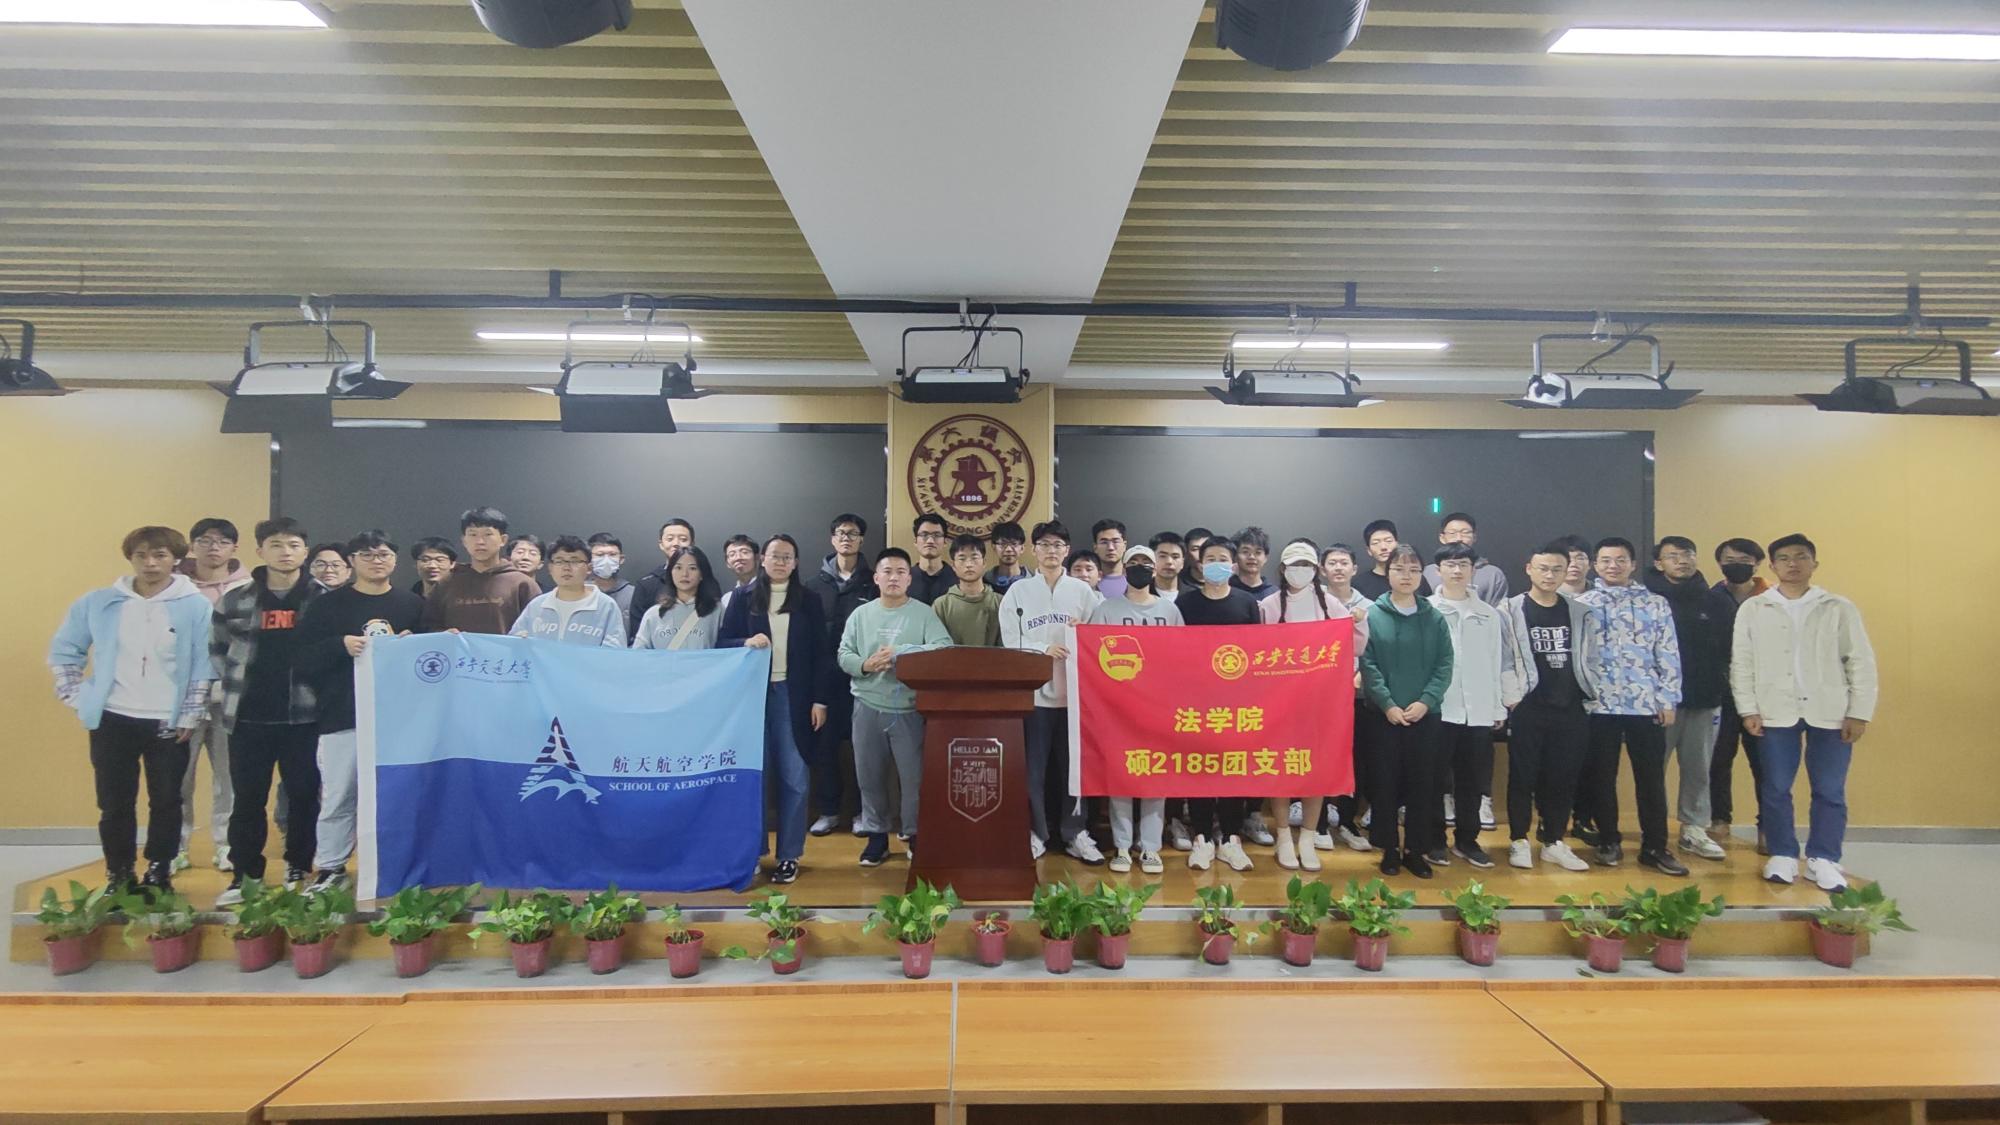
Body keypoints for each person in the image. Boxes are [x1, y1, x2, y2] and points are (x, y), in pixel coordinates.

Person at [50, 526, 215, 895]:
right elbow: (65, 650)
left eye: (159, 555)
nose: (150, 563)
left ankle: (159, 870)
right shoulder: (99, 602)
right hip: (113, 717)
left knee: (167, 799)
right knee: (113, 802)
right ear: (131, 559)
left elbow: (203, 664)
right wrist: (78, 696)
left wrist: (190, 713)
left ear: (176, 559)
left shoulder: (195, 606)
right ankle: (119, 873)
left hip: (167, 719)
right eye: (141, 555)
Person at [1732, 534, 1877, 893]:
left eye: (1801, 557)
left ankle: (1823, 857)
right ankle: (1782, 853)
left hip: (1830, 709)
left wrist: (1859, 712)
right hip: (1774, 709)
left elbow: (1859, 660)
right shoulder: (1754, 608)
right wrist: (1747, 708)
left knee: (1829, 788)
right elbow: (1742, 662)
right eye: (1783, 558)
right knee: (1776, 786)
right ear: (1772, 566)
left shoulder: (1838, 607)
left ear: (1814, 563)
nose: (1792, 564)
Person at [294, 530, 425, 894]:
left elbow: (431, 660)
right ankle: (331, 867)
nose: (376, 561)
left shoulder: (413, 605)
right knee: (338, 795)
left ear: (395, 560)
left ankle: (397, 865)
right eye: (366, 555)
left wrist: (413, 648)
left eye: (383, 554)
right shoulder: (327, 606)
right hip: (342, 714)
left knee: (398, 796)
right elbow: (301, 658)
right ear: (351, 561)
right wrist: (339, 645)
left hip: (399, 720)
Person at [211, 517, 324, 905]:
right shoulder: (236, 599)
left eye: (293, 545)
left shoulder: (325, 599)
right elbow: (218, 650)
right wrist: (235, 687)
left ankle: (299, 868)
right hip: (248, 717)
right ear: (260, 551)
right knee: (247, 800)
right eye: (276, 545)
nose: (285, 552)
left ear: (305, 551)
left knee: (304, 796)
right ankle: (245, 875)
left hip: (306, 716)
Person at [718, 533, 831, 885]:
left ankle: (789, 855)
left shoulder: (809, 600)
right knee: (755, 776)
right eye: (774, 555)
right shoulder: (743, 597)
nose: (780, 562)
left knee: (795, 777)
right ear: (762, 559)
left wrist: (820, 699)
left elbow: (822, 654)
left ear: (795, 563)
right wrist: (746, 642)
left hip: (794, 697)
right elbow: (722, 643)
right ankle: (752, 852)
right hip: (752, 697)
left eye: (787, 557)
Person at [1575, 537, 1688, 876]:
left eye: (1620, 560)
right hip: (1599, 705)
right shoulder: (1581, 605)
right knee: (1601, 776)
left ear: (1633, 564)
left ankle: (1655, 847)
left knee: (1651, 778)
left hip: (1646, 705)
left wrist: (1668, 698)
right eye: (1606, 560)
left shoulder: (1655, 604)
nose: (1613, 566)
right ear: (1595, 565)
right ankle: (1608, 840)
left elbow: (1668, 653)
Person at [837, 548, 951, 866]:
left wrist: (903, 652)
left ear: (909, 579)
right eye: (887, 571)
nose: (893, 578)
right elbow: (844, 654)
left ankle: (914, 834)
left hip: (908, 708)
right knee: (869, 776)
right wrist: (865, 664)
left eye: (901, 572)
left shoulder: (924, 613)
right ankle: (876, 837)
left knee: (913, 779)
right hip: (867, 705)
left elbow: (943, 648)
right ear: (876, 577)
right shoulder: (861, 615)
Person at [999, 520, 1105, 864]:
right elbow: (1010, 638)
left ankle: (1075, 833)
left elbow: (1100, 638)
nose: (1051, 551)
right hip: (1033, 697)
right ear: (1034, 550)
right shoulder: (1018, 592)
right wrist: (1042, 649)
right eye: (1044, 545)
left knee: (1074, 769)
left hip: (1075, 698)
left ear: (1067, 550)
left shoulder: (1083, 593)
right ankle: (1035, 832)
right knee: (1033, 770)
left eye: (1058, 545)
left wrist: (1084, 632)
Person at [1257, 538, 1358, 872]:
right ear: (1282, 569)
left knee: (1317, 769)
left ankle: (1308, 837)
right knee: (1281, 769)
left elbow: (1354, 647)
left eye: (1306, 565)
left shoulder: (1331, 604)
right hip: (1280, 704)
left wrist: (1357, 622)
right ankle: (1284, 836)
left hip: (1321, 703)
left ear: (1315, 570)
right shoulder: (1269, 605)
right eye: (1293, 566)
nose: (1299, 571)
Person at [1498, 544, 1597, 872]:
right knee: (1522, 776)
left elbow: (1591, 656)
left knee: (1563, 777)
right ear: (1529, 569)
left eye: (1557, 569)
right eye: (1543, 568)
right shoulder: (1509, 610)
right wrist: (1512, 698)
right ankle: (1519, 839)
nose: (1550, 575)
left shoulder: (1580, 612)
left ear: (1567, 571)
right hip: (1529, 706)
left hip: (1570, 707)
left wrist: (1591, 691)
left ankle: (1554, 841)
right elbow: (1504, 658)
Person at [1357, 543, 1453, 879]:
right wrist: (1388, 704)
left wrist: (1426, 701)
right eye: (1399, 569)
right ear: (1388, 574)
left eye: (1414, 570)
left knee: (1423, 785)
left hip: (1426, 716)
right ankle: (1389, 849)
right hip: (1384, 717)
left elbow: (1445, 663)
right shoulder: (1373, 615)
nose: (1406, 576)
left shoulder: (1434, 617)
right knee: (1384, 784)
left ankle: (1416, 850)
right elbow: (1368, 664)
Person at [1086, 544, 1183, 874]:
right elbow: (1092, 655)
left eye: (1146, 562)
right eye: (1134, 562)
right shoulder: (1106, 609)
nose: (1140, 567)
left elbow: (1182, 657)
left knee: (1156, 775)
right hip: (1119, 709)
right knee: (1122, 776)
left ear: (1154, 569)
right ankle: (1123, 846)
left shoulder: (1170, 611)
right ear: (1124, 568)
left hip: (1158, 707)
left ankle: (1151, 847)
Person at [1175, 537, 1262, 872]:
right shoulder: (1186, 603)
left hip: (1236, 701)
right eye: (1209, 558)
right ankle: (1201, 837)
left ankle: (1230, 838)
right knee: (1199, 765)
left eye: (1222, 558)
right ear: (1199, 563)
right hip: (1196, 699)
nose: (1216, 563)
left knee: (1233, 767)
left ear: (1233, 565)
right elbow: (1175, 649)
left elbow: (1257, 650)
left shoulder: (1246, 602)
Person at [1644, 535, 1733, 863]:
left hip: (1704, 697)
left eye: (1688, 554)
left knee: (1698, 767)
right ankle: (1652, 830)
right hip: (1657, 703)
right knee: (1652, 769)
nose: (1682, 561)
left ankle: (1694, 828)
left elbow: (1729, 650)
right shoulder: (1647, 600)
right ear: (1659, 563)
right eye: (1673, 556)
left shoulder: (1716, 602)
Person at [1428, 542, 1514, 871]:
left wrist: (1497, 708)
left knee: (1472, 781)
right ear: (1438, 570)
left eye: (1463, 564)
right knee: (1435, 780)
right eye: (1450, 564)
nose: (1457, 570)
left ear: (1473, 569)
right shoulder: (1427, 610)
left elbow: (1496, 661)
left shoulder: (1488, 614)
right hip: (1439, 708)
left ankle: (1467, 840)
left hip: (1478, 710)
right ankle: (1435, 840)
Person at [175, 517, 251, 874]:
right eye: (204, 540)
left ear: (235, 548)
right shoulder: (174, 587)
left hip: (231, 697)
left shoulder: (249, 588)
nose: (213, 548)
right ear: (192, 546)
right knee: (177, 779)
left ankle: (227, 845)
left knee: (229, 777)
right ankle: (175, 847)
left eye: (222, 541)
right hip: (181, 698)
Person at [806, 513, 875, 836]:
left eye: (853, 533)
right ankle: (829, 811)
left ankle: (863, 811)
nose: (846, 538)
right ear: (832, 539)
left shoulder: (873, 582)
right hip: (824, 681)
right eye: (841, 533)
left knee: (864, 750)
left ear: (862, 539)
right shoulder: (813, 586)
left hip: (864, 677)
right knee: (826, 748)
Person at [1709, 536, 1769, 849]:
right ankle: (1720, 820)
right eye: (1730, 560)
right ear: (1720, 564)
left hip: (1763, 694)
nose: (1737, 566)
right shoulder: (1710, 598)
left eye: (1745, 561)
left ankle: (1767, 826)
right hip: (1721, 691)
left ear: (1757, 564)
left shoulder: (1772, 598)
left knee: (1765, 763)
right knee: (1718, 759)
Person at [1321, 542, 1377, 853]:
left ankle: (1347, 821)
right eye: (1332, 563)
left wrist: (1361, 674)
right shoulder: (1315, 603)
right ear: (1322, 570)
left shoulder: (1369, 606)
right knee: (1320, 754)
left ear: (1354, 569)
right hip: (1321, 695)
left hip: (1358, 695)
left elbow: (1375, 648)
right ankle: (1318, 823)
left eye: (1344, 562)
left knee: (1355, 760)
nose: (1338, 568)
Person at [422, 507, 539, 635]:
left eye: (488, 534)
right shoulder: (447, 583)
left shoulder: (522, 584)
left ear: (503, 540)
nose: (480, 542)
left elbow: (539, 627)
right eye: (473, 535)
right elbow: (428, 627)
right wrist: (443, 633)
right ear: (464, 541)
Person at [511, 536, 630, 647]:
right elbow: (514, 642)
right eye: (559, 561)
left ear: (589, 568)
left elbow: (614, 651)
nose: (566, 568)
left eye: (574, 561)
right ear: (550, 568)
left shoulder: (605, 606)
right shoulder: (537, 605)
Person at [632, 545, 722, 651]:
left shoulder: (716, 610)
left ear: (702, 574)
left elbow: (727, 649)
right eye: (678, 568)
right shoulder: (653, 614)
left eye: (692, 568)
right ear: (670, 572)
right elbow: (639, 653)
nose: (685, 574)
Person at [1422, 513, 1510, 605]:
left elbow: (1498, 610)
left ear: (1474, 537)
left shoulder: (1492, 574)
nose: (1459, 538)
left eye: (1465, 533)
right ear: (1442, 538)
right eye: (1452, 533)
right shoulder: (1427, 573)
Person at [629, 518, 697, 636]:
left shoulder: (704, 580)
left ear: (692, 544)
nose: (676, 543)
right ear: (661, 544)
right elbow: (638, 633)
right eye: (670, 539)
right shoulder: (646, 585)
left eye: (683, 539)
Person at [934, 533, 1002, 646]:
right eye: (962, 559)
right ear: (953, 565)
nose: (969, 564)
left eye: (974, 558)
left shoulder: (1000, 602)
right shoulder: (941, 605)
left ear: (984, 562)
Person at [1354, 519, 1431, 600]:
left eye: (1388, 541)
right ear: (1369, 550)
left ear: (1397, 544)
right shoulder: (1359, 584)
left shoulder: (1415, 578)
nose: (1383, 547)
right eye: (1376, 543)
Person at [586, 532, 636, 623]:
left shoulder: (633, 594)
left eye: (612, 554)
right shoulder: (578, 591)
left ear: (621, 559)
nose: (606, 560)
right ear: (588, 559)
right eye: (600, 555)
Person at [907, 513, 956, 605]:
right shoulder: (904, 579)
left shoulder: (958, 579)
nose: (930, 541)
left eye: (937, 535)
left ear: (945, 542)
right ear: (915, 541)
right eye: (924, 535)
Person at [716, 533, 760, 617]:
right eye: (732, 554)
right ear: (727, 563)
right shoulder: (727, 600)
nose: (738, 557)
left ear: (757, 557)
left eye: (744, 552)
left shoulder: (770, 590)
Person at [1230, 525, 1277, 602]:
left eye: (1258, 552)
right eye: (1245, 552)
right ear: (1235, 556)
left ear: (1266, 558)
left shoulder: (1274, 593)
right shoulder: (1226, 589)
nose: (1252, 557)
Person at [985, 521, 1030, 593]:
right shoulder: (984, 582)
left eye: (1014, 544)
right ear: (994, 547)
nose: (1008, 549)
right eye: (1003, 544)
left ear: (1022, 548)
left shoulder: (1033, 581)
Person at [1091, 518, 1129, 599]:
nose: (1110, 547)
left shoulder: (1136, 579)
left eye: (1115, 541)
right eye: (1104, 542)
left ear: (1124, 545)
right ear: (1095, 547)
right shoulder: (1086, 579)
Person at [1150, 531, 1188, 598]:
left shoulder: (1193, 594)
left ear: (1182, 562)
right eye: (1162, 556)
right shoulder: (1140, 592)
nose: (1169, 562)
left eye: (1175, 557)